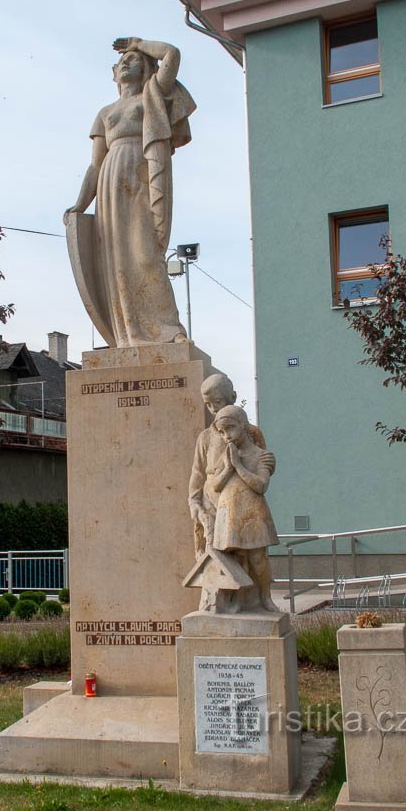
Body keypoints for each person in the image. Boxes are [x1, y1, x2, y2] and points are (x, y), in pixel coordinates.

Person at [64, 38, 196, 347]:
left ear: (147, 66)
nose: (127, 62)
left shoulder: (152, 95)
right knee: (118, 262)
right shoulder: (105, 112)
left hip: (142, 174)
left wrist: (139, 43)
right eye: (123, 60)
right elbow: (95, 165)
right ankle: (130, 334)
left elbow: (172, 55)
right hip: (111, 183)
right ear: (113, 74)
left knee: (146, 254)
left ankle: (167, 329)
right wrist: (80, 205)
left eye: (135, 59)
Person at [188, 373, 273, 559]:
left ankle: (256, 588)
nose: (212, 408)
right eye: (208, 404)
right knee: (217, 558)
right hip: (211, 501)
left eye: (217, 402)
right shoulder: (205, 437)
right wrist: (194, 501)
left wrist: (268, 463)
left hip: (242, 503)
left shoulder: (251, 432)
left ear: (232, 397)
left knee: (250, 558)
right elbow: (198, 473)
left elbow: (260, 463)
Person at [211, 405, 279, 612]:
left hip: (252, 512)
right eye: (221, 432)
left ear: (243, 425)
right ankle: (239, 598)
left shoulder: (261, 456)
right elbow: (216, 485)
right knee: (239, 559)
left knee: (258, 559)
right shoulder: (226, 456)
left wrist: (238, 466)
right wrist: (229, 465)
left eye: (230, 429)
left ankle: (265, 596)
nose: (226, 436)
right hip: (230, 511)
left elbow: (260, 485)